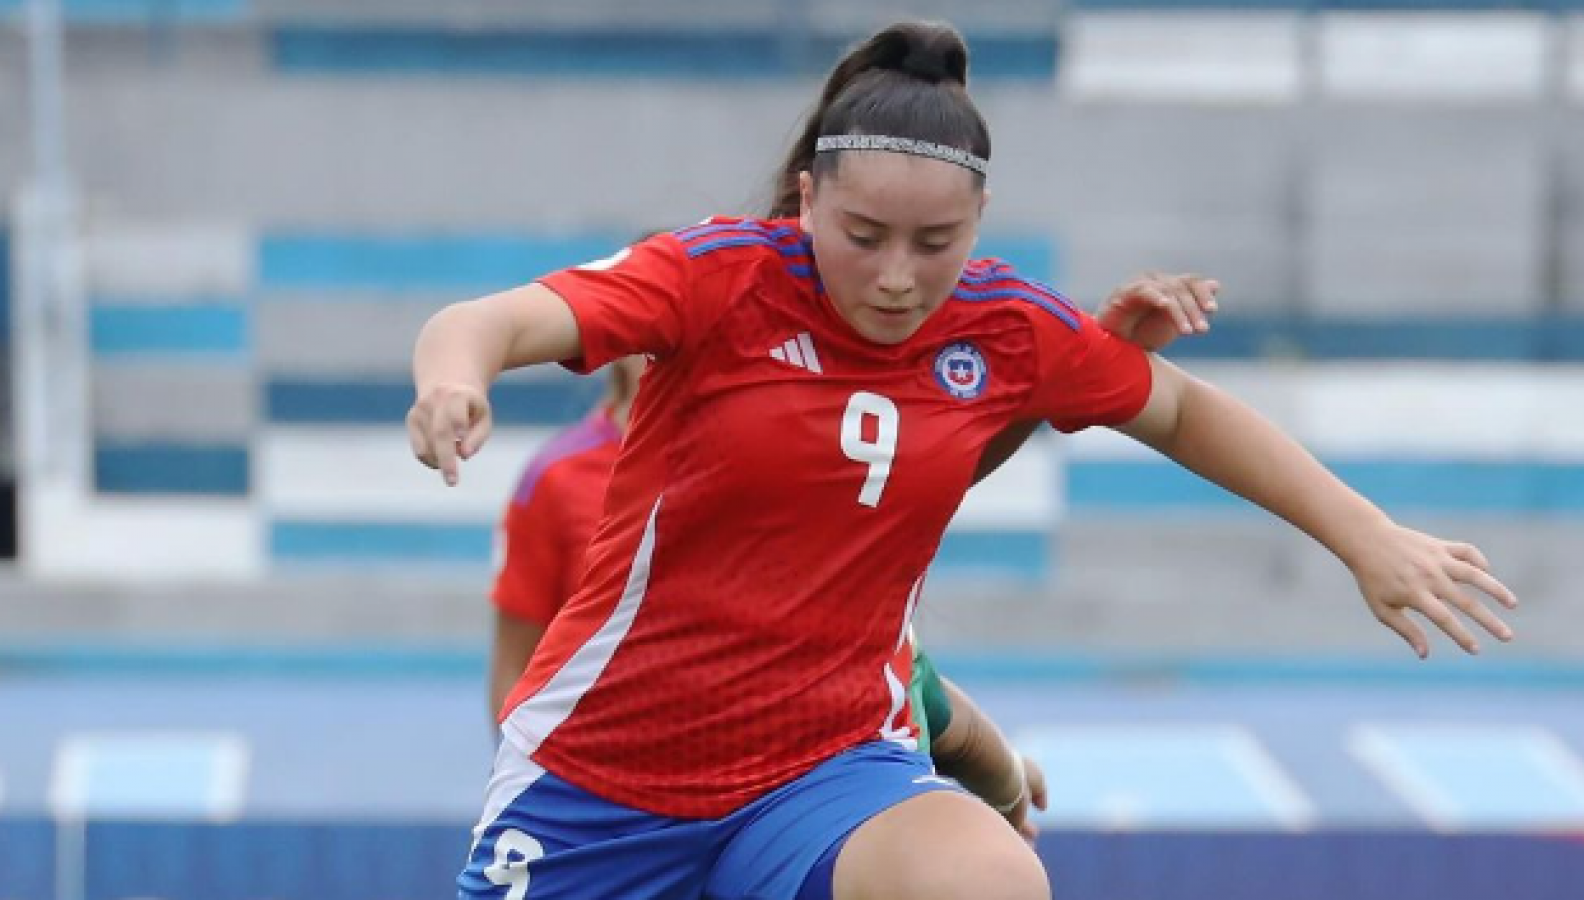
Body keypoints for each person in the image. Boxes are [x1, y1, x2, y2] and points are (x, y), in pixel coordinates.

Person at [410, 20, 1518, 900]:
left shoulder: (1004, 329)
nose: (897, 276)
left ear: (980, 217)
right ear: (807, 199)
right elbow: (488, 317)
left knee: (989, 881)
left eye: (934, 245)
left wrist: (1365, 536)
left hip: (821, 768)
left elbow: (1178, 414)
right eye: (863, 237)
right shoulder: (713, 279)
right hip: (608, 783)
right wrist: (454, 377)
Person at [486, 278, 1215, 844]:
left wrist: (1008, 789)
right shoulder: (559, 481)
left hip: (780, 796)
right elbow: (519, 655)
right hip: (611, 783)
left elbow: (921, 688)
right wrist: (538, 788)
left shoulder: (792, 464)